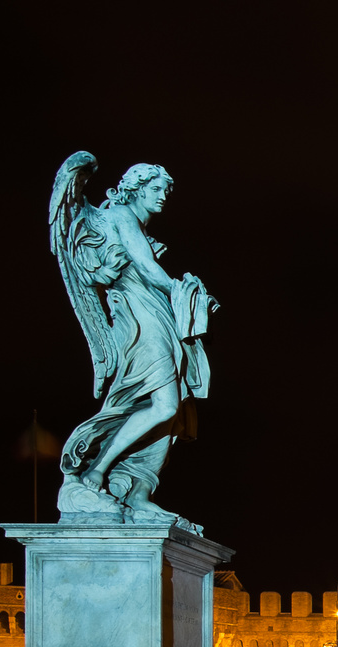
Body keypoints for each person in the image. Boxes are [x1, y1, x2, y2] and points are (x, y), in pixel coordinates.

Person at [54, 159, 216, 523]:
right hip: (140, 318)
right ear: (136, 188)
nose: (163, 197)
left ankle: (139, 490)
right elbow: (145, 267)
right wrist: (184, 288)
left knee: (174, 412)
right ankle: (97, 469)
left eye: (166, 191)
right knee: (164, 404)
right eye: (156, 189)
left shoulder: (136, 224)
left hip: (160, 314)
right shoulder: (120, 217)